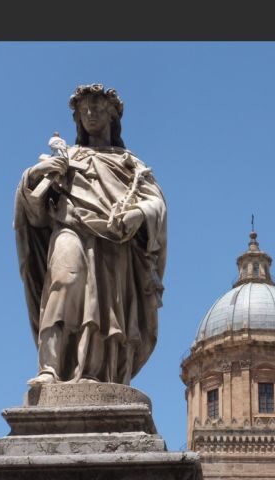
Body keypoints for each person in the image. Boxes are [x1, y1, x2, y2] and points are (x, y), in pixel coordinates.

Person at [14, 84, 167, 386]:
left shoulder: (130, 164)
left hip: (112, 241)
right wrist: (34, 175)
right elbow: (35, 212)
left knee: (103, 305)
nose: (90, 113)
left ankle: (94, 372)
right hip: (69, 229)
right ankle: (50, 368)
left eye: (97, 107)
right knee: (63, 283)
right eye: (84, 109)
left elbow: (156, 203)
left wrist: (138, 214)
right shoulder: (67, 158)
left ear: (112, 115)